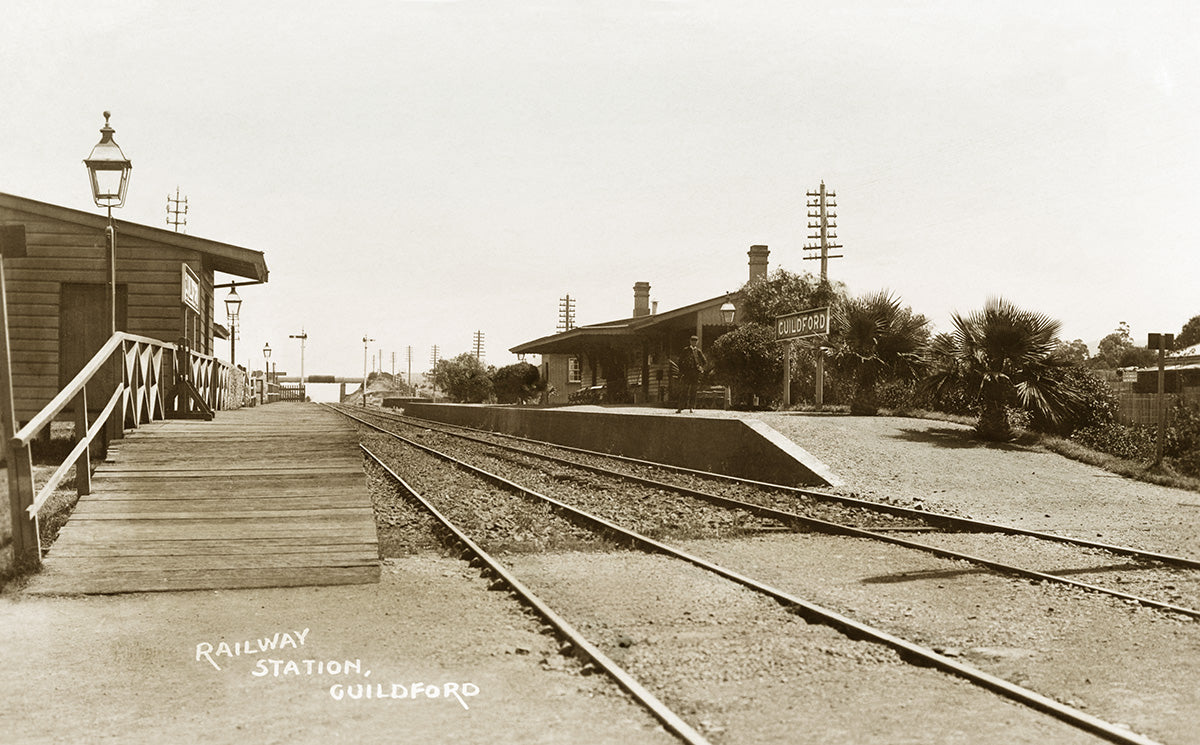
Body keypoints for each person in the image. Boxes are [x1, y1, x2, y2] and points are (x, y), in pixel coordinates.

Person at [675, 335, 707, 413]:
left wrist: (701, 369)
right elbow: (680, 361)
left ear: (697, 342)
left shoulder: (698, 351)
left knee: (693, 390)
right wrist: (682, 371)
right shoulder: (686, 350)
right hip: (687, 373)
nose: (694, 343)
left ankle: (691, 407)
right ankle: (681, 407)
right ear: (690, 341)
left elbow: (704, 361)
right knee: (684, 390)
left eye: (695, 341)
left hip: (695, 373)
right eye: (692, 341)